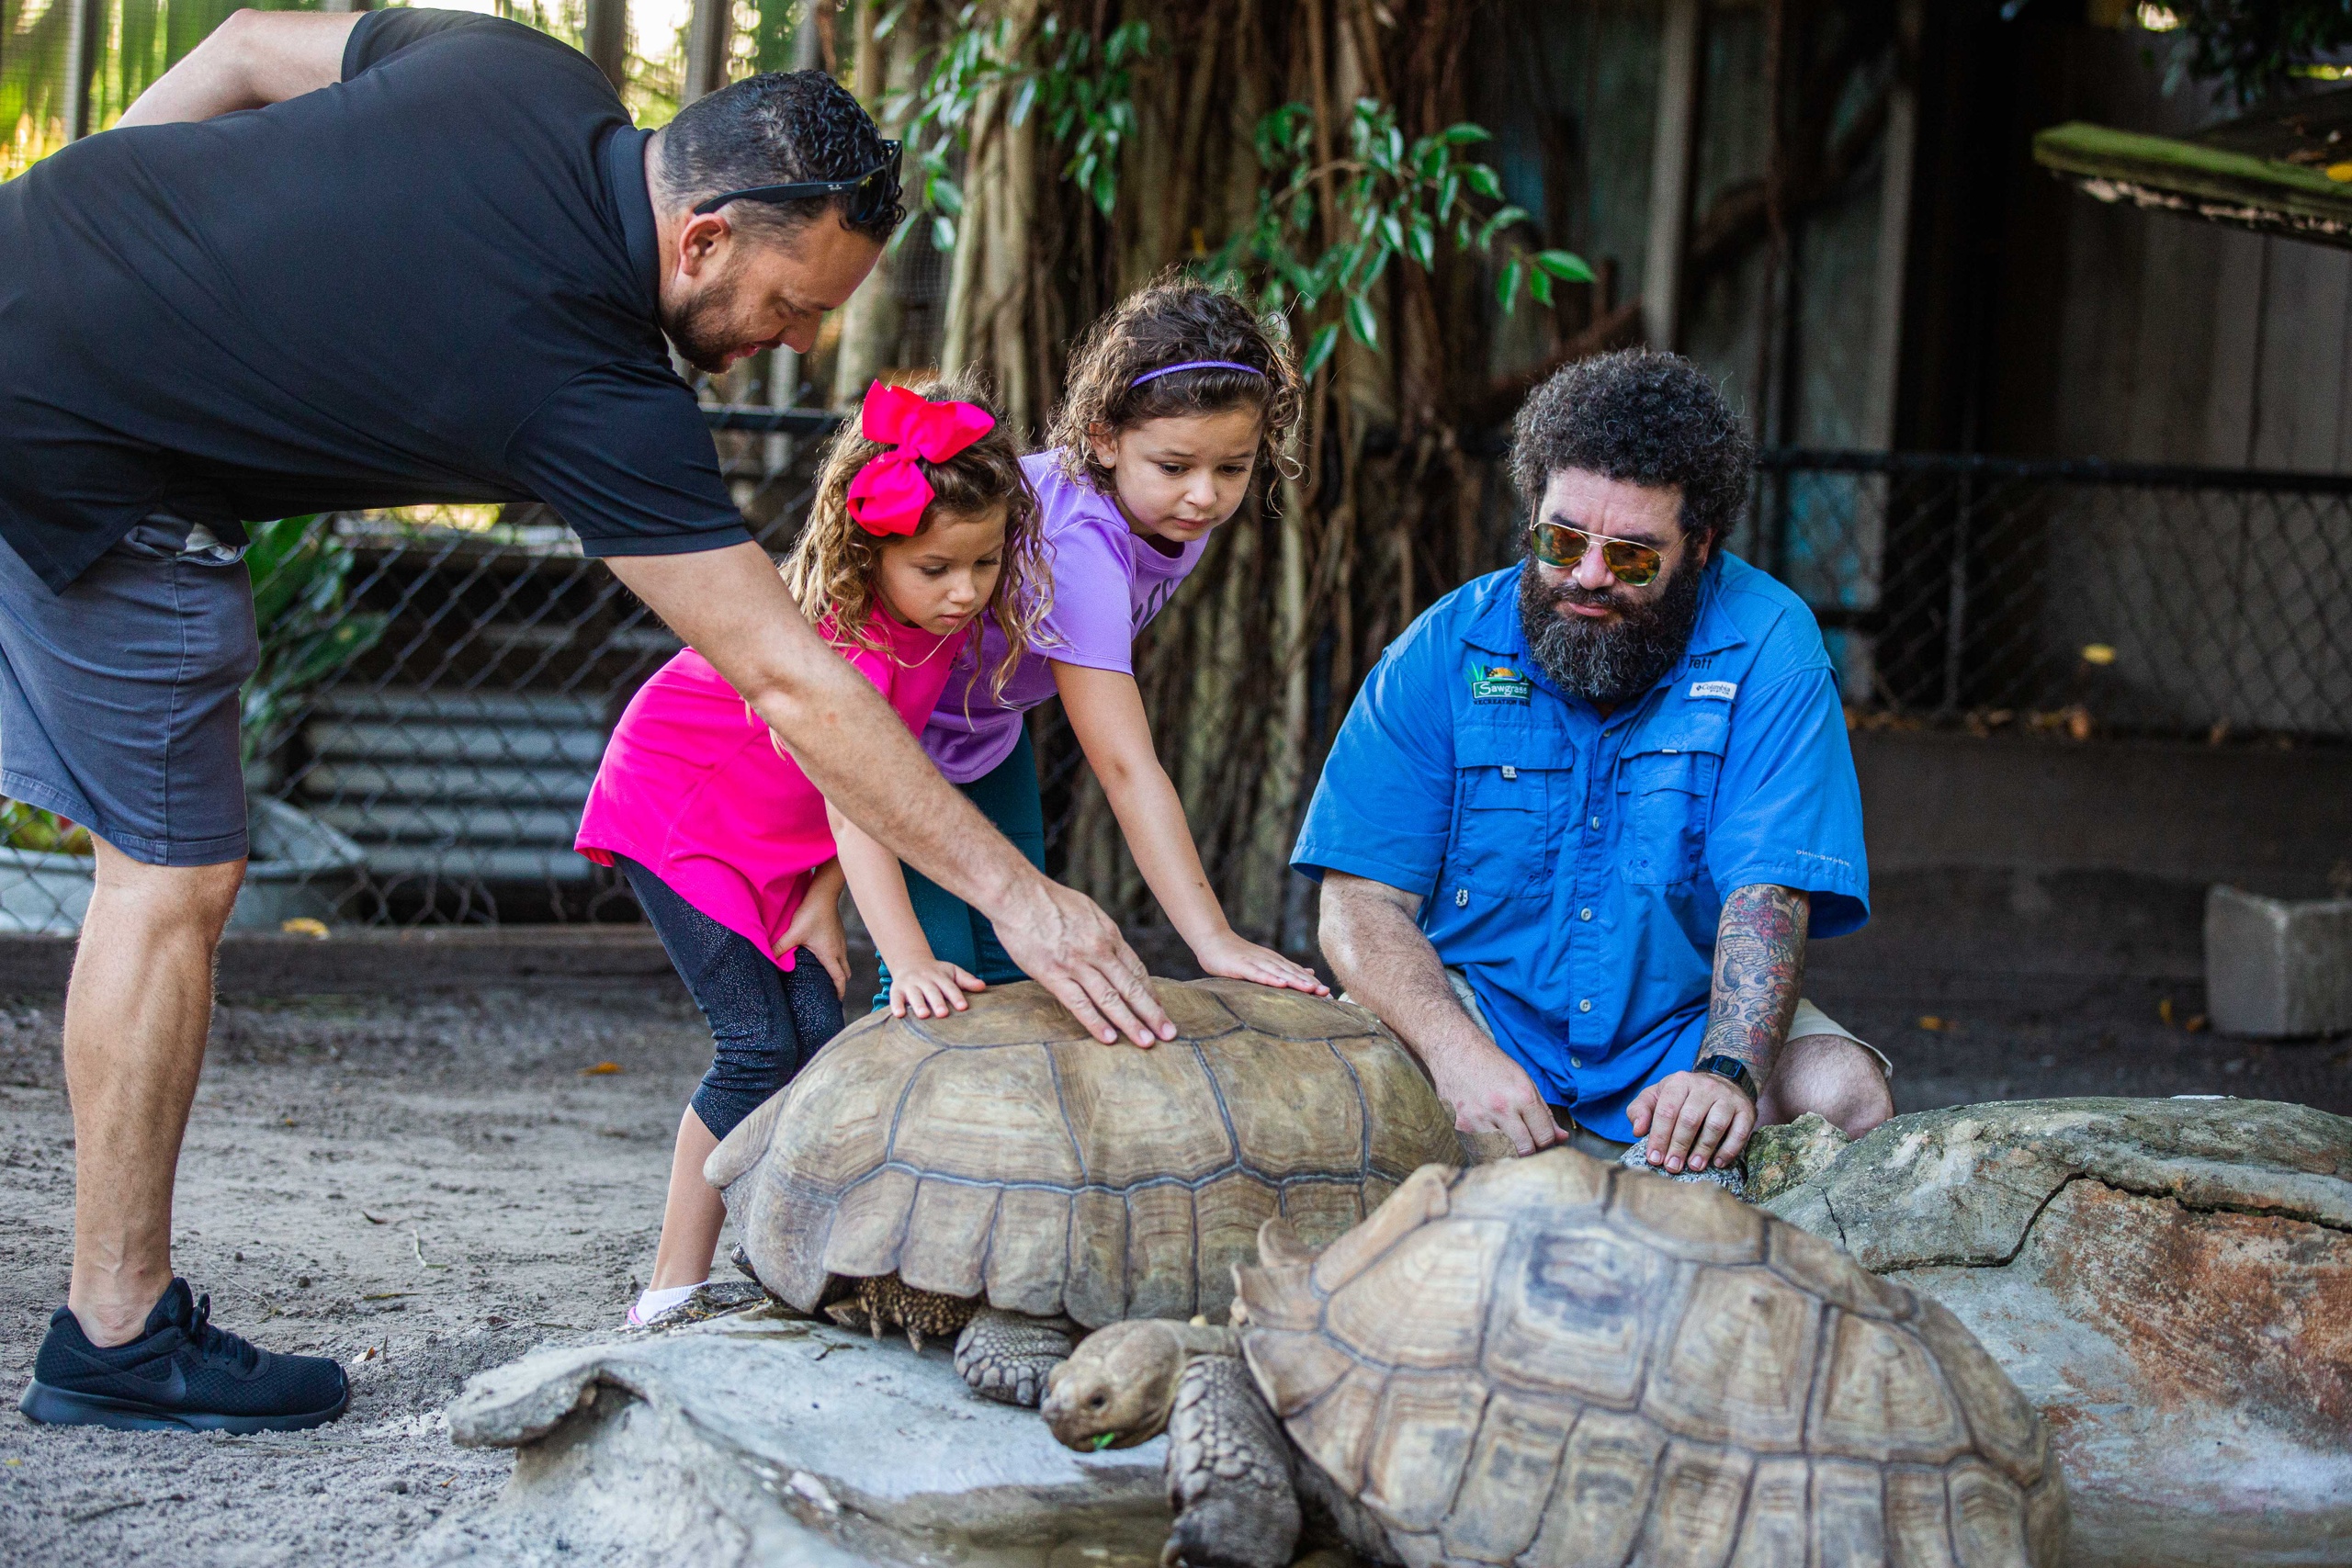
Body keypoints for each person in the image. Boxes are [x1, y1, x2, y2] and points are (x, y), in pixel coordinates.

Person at [5, 9, 1170, 1436]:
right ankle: (116, 1332)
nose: (794, 343)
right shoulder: (588, 380)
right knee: (168, 875)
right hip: (92, 456)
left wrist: (102, 226)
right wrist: (1018, 891)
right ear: (702, 242)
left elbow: (248, 42)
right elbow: (795, 682)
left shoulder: (526, 76)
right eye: (791, 307)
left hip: (24, 263)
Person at [1293, 349, 1894, 1179]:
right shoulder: (1441, 648)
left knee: (1846, 1093)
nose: (1589, 575)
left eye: (1635, 557)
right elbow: (1358, 902)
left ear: (1701, 546)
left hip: (1680, 1031)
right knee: (1321, 1086)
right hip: (1479, 1018)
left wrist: (1725, 1072)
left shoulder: (1770, 644)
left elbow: (1769, 895)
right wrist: (1456, 1052)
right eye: (1561, 539)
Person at [577, 377, 1048, 1327]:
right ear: (865, 549)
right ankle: (670, 1288)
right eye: (935, 568)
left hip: (776, 835)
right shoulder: (847, 646)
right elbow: (861, 806)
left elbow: (873, 784)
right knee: (757, 1049)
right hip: (681, 813)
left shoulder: (928, 632)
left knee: (811, 1043)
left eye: (985, 563)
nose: (965, 591)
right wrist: (904, 957)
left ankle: (791, 1258)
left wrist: (823, 899)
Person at [878, 278, 1327, 1018]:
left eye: (1233, 468)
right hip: (901, 740)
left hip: (986, 736)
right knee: (937, 982)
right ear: (1104, 438)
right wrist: (1213, 939)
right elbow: (1123, 764)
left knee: (1007, 975)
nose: (1204, 497)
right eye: (1176, 467)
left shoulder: (1166, 513)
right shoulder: (1079, 547)